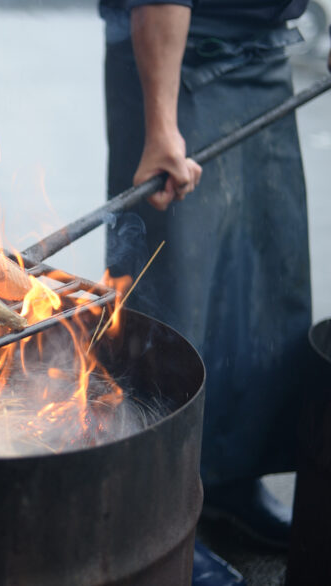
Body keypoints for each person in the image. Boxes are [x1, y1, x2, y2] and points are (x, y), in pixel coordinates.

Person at [99, 1, 328, 584]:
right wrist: (160, 124)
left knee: (263, 279)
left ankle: (229, 482)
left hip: (262, 51)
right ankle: (155, 520)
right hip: (176, 62)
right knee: (172, 302)